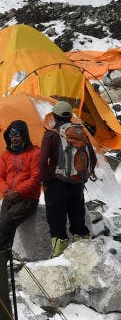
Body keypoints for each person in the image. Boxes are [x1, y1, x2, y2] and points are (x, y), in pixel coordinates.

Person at [40, 100, 97, 257]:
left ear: (55, 116)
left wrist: (45, 182)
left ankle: (59, 255)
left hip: (57, 183)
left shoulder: (51, 134)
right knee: (78, 219)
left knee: (57, 221)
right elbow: (92, 156)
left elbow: (43, 161)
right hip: (77, 182)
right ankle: (83, 254)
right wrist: (83, 176)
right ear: (70, 116)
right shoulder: (81, 133)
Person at [0, 120, 41, 252]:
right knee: (7, 228)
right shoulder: (6, 154)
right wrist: (7, 191)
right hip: (9, 196)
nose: (14, 139)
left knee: (4, 225)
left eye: (17, 135)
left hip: (28, 198)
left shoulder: (35, 153)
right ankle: (3, 259)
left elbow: (35, 178)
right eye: (11, 136)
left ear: (24, 136)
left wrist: (17, 192)